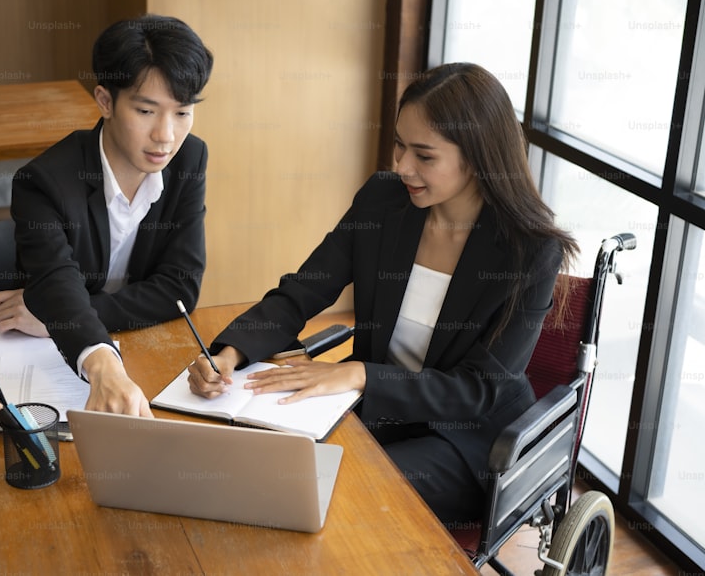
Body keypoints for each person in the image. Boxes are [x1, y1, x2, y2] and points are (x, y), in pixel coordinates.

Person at [187, 62, 578, 526]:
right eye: (398, 143)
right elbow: (304, 291)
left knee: (335, 487)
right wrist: (231, 354)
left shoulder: (529, 253)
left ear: (476, 158)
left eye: (424, 155)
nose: (401, 166)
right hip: (374, 411)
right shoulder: (383, 201)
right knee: (259, 459)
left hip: (463, 440)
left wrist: (360, 375)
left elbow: (479, 390)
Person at [0, 14, 213, 417]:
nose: (166, 136)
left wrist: (62, 317)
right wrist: (89, 343)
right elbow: (57, 279)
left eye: (182, 112)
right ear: (105, 101)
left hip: (136, 347)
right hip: (47, 364)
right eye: (147, 111)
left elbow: (179, 288)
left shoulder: (189, 159)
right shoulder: (44, 182)